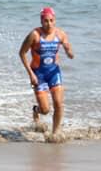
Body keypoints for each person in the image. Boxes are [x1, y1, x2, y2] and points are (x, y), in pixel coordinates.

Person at [18, 7, 75, 138]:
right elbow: (21, 53)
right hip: (38, 74)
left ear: (54, 20)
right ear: (41, 21)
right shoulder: (34, 35)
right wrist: (30, 74)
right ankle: (36, 110)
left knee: (59, 104)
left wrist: (68, 51)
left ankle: (55, 133)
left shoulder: (60, 34)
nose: (48, 24)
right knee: (45, 110)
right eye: (45, 21)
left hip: (54, 72)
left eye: (51, 20)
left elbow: (70, 52)